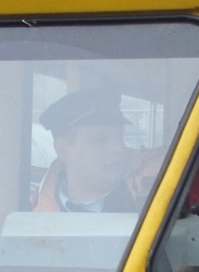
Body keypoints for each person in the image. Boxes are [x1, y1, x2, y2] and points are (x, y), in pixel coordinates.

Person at [33, 89, 161, 213]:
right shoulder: (35, 213)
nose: (118, 148)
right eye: (99, 140)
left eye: (119, 137)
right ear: (64, 150)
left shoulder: (155, 193)